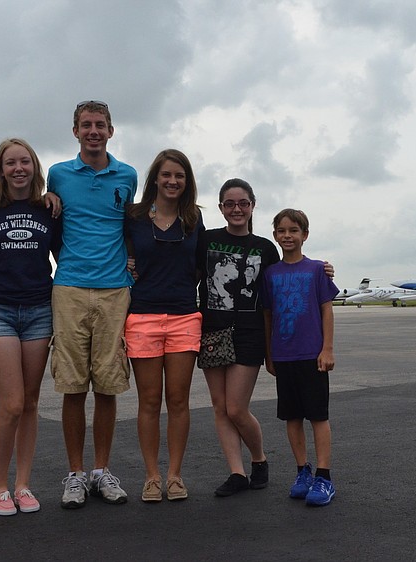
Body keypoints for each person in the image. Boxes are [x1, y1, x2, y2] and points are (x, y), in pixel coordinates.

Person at [47, 101, 137, 509]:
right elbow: (52, 224)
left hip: (116, 290)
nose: (93, 131)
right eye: (86, 125)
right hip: (68, 288)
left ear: (111, 131)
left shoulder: (128, 175)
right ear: (76, 130)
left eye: (100, 125)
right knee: (72, 386)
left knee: (108, 384)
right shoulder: (58, 174)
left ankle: (102, 471)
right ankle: (75, 474)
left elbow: (131, 226)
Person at [0, 138, 62, 516]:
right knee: (10, 404)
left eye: (24, 161)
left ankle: (23, 485)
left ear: (34, 166)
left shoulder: (48, 208)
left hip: (39, 310)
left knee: (29, 403)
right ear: (1, 169)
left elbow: (65, 256)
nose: (18, 169)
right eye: (10, 163)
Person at [124, 149, 204, 502]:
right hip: (142, 316)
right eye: (167, 175)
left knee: (178, 400)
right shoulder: (135, 216)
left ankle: (174, 475)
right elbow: (120, 252)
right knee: (149, 401)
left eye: (180, 176)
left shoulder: (193, 218)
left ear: (187, 182)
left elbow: (203, 264)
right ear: (155, 178)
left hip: (185, 316)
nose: (173, 181)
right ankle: (152, 476)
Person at [197, 179, 279, 497]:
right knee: (219, 407)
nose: (236, 210)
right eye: (229, 204)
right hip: (213, 331)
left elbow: (283, 280)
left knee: (236, 408)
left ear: (252, 205)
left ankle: (259, 459)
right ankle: (236, 472)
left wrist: (320, 270)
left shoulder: (265, 248)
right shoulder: (206, 241)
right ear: (221, 208)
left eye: (242, 203)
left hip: (249, 333)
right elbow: (184, 274)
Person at [262, 209, 339, 507]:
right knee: (292, 416)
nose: (287, 236)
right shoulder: (271, 274)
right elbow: (268, 315)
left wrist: (327, 348)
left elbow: (326, 308)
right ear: (275, 235)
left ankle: (324, 476)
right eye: (281, 231)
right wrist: (270, 354)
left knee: (318, 415)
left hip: (312, 355)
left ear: (305, 234)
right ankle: (302, 471)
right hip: (284, 355)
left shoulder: (317, 270)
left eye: (294, 230)